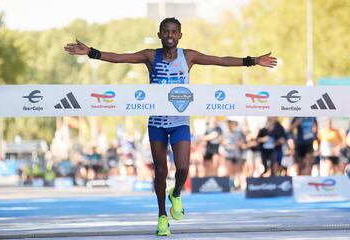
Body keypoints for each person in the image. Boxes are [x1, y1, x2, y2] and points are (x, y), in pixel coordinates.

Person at [64, 17, 277, 236]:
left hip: (179, 122)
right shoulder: (150, 56)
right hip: (156, 122)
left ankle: (175, 194)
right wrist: (91, 52)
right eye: (166, 31)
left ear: (180, 35)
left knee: (183, 167)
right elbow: (120, 58)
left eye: (174, 32)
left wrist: (253, 61)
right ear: (159, 34)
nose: (170, 36)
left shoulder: (189, 57)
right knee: (161, 171)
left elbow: (220, 60)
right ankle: (162, 216)